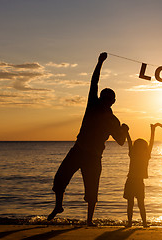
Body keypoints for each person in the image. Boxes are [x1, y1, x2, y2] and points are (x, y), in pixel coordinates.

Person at [47, 52, 129, 226]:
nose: (105, 101)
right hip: (78, 150)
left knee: (92, 190)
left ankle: (89, 221)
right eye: (104, 98)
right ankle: (59, 207)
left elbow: (121, 141)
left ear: (112, 101)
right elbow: (94, 81)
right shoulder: (93, 104)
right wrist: (99, 63)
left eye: (107, 99)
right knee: (60, 179)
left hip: (93, 156)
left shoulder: (113, 120)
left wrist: (123, 130)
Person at [123, 124, 155, 228]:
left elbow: (151, 142)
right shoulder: (136, 154)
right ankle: (134, 223)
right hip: (133, 181)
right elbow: (129, 141)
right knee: (134, 204)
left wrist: (153, 130)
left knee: (138, 203)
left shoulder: (142, 154)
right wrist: (127, 133)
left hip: (136, 181)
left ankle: (140, 223)